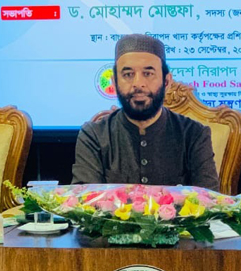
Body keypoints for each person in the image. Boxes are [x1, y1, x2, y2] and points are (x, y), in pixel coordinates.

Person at [71, 34, 219, 190]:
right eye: (128, 74)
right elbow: (83, 204)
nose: (138, 83)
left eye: (148, 74)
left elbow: (210, 202)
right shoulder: (94, 135)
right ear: (114, 82)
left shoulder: (194, 134)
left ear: (166, 82)